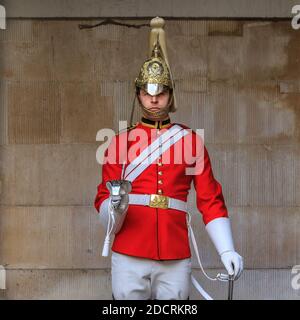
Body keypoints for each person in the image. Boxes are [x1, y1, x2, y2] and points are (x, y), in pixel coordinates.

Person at [94, 17, 243, 300]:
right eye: (147, 93)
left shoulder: (189, 141)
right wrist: (114, 208)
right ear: (138, 95)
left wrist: (227, 249)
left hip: (175, 252)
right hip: (129, 251)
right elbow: (102, 197)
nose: (153, 100)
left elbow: (210, 199)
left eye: (160, 93)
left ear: (170, 95)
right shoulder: (119, 142)